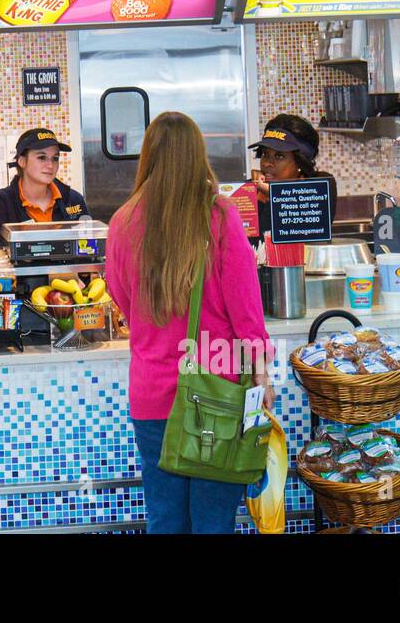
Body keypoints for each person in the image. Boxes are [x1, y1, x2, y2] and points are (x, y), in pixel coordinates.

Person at [106, 112, 273, 534]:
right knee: (213, 523)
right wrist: (261, 375)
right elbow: (246, 311)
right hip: (214, 395)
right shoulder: (218, 216)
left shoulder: (122, 222)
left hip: (151, 396)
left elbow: (123, 301)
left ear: (148, 157)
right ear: (198, 155)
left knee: (165, 520)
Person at [250, 113, 338, 237]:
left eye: (279, 156)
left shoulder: (320, 186)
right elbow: (253, 243)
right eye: (265, 154)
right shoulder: (252, 189)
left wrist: (273, 194)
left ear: (300, 162)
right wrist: (255, 191)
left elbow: (285, 235)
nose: (268, 163)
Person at [0, 128, 89, 225]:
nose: (50, 165)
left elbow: (89, 239)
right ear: (22, 161)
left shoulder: (74, 199)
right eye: (42, 157)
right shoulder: (1, 202)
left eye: (55, 158)